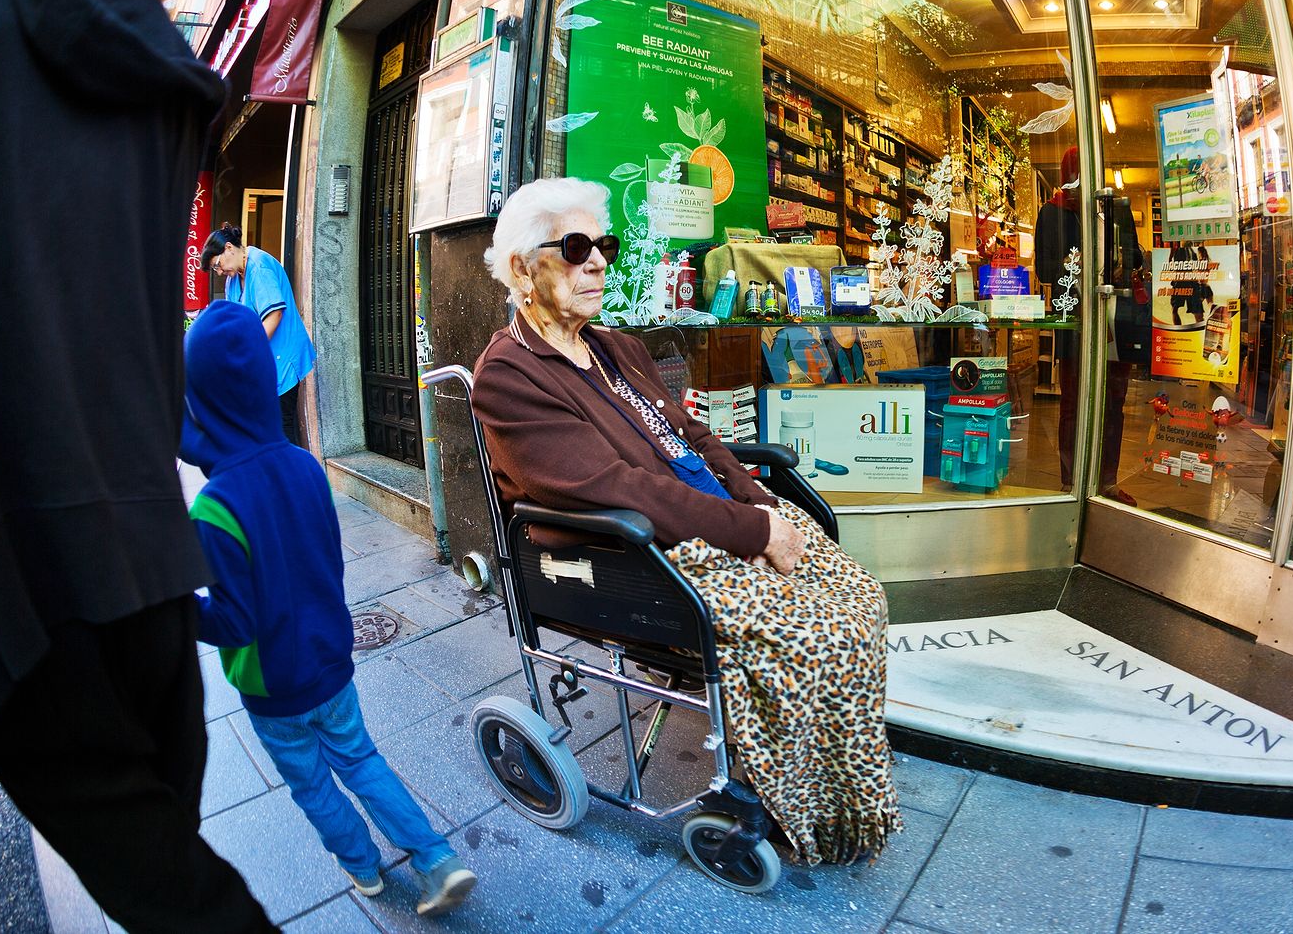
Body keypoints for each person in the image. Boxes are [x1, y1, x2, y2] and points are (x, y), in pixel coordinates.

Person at [0, 0, 276, 929]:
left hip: (16, 572)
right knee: (176, 875)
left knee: (176, 897)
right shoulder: (164, 75)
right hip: (146, 552)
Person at [471, 177, 901, 865]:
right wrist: (752, 533)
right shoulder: (509, 376)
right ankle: (801, 803)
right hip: (641, 554)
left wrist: (757, 504)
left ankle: (839, 772)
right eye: (575, 247)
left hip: (715, 519)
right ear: (523, 267)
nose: (598, 262)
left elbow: (694, 437)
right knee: (811, 631)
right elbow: (616, 489)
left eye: (602, 246)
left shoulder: (617, 346)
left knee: (859, 599)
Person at [183, 300, 478, 917]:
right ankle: (435, 858)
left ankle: (364, 870)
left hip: (274, 687)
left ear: (201, 401)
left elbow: (234, 622)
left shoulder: (213, 508)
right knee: (362, 759)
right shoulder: (304, 466)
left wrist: (180, 611)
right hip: (331, 658)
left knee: (312, 783)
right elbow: (327, 559)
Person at [1034, 146, 1137, 502]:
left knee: (1114, 401)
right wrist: (1073, 268)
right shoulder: (1052, 212)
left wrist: (1124, 265)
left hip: (1114, 320)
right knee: (1074, 403)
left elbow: (1135, 256)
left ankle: (1107, 481)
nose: (1081, 182)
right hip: (1076, 318)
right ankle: (1071, 482)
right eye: (1076, 174)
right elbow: (1043, 269)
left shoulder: (1118, 210)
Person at [201, 225, 316, 446]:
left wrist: (248, 351)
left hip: (282, 359)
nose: (219, 271)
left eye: (217, 265)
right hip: (264, 364)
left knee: (282, 428)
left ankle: (296, 477)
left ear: (228, 248)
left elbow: (274, 314)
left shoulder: (259, 265)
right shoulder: (234, 278)